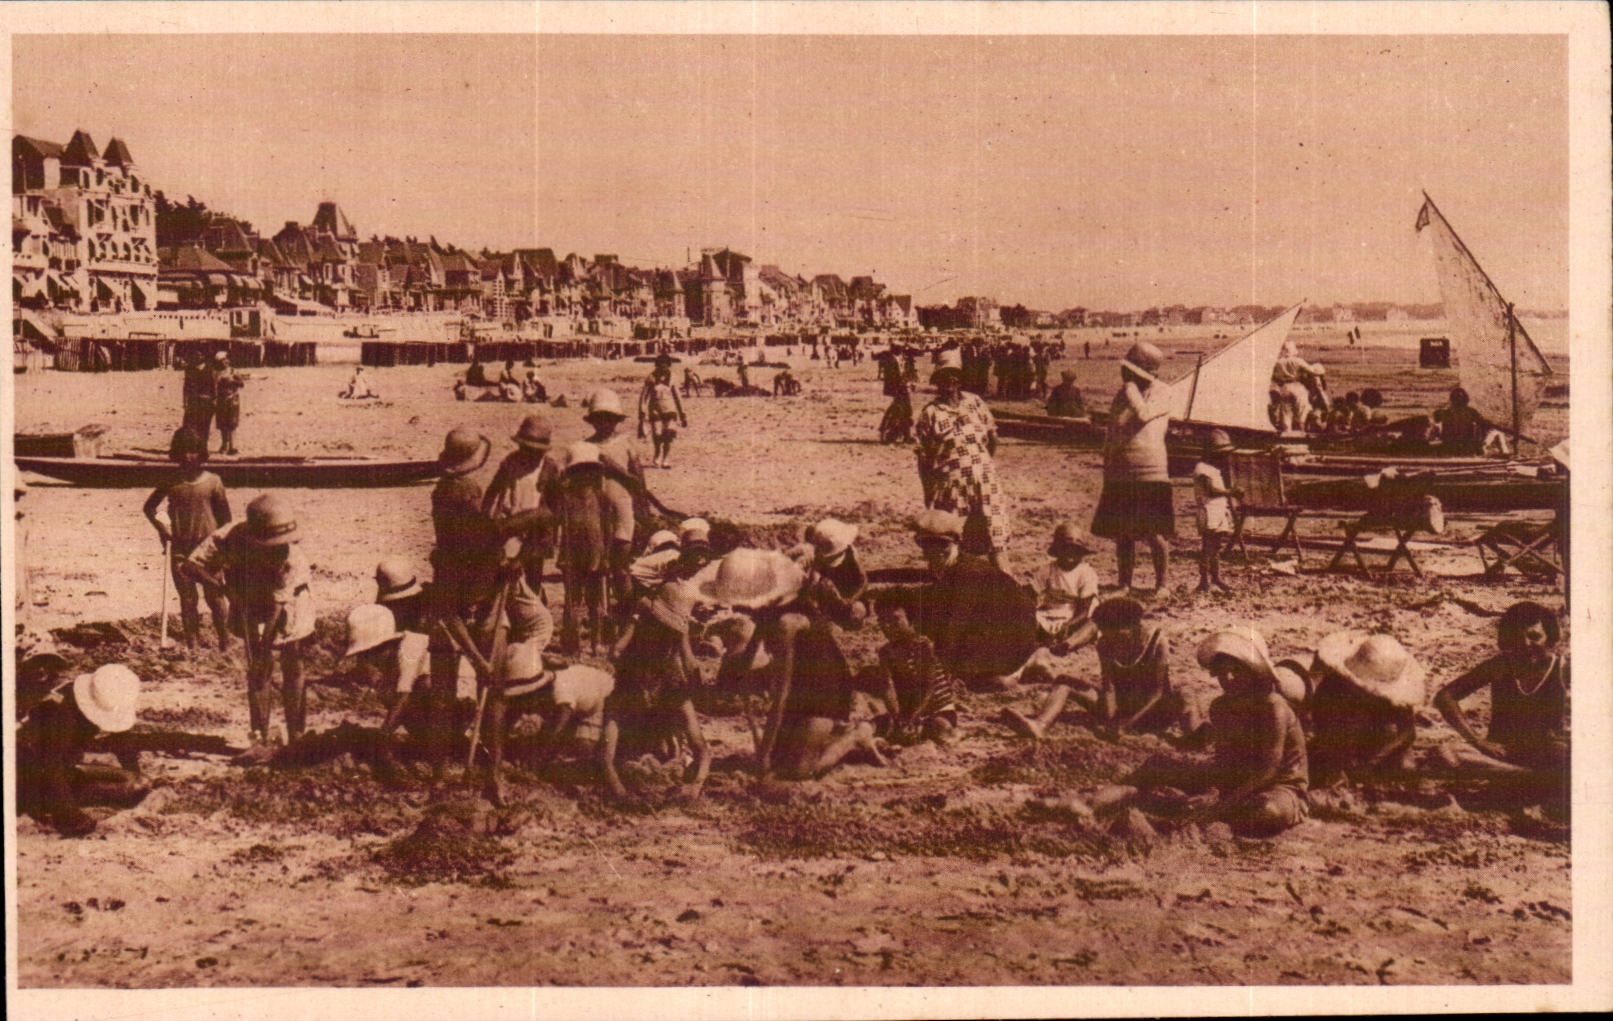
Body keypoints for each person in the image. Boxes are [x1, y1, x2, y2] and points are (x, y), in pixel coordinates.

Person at [1085, 629, 1308, 837]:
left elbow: (1267, 771)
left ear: (1252, 671)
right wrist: (1214, 793)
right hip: (1238, 779)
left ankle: (1203, 815)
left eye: (1236, 670)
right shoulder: (1221, 707)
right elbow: (1224, 762)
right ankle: (1106, 797)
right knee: (1158, 766)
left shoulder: (1273, 707)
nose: (1228, 678)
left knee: (1267, 811)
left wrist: (1218, 806)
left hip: (1279, 787)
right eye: (1222, 673)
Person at [697, 549, 886, 780]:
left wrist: (765, 753)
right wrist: (740, 676)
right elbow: (751, 652)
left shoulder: (787, 623)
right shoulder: (770, 610)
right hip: (800, 690)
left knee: (799, 771)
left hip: (827, 692)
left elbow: (782, 692)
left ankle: (856, 737)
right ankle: (827, 735)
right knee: (780, 762)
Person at [182, 494, 315, 750]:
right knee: (257, 669)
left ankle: (296, 736)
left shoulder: (292, 560)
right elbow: (190, 566)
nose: (277, 548)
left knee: (293, 663)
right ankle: (260, 737)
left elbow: (278, 605)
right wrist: (220, 587)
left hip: (291, 602)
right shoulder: (229, 536)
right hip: (249, 600)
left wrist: (265, 646)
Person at [1003, 596, 1195, 742]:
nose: (1113, 640)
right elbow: (1109, 687)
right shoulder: (1105, 643)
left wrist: (1127, 725)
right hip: (1122, 705)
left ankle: (1193, 737)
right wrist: (1112, 721)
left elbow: (1157, 694)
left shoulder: (1156, 641)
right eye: (1108, 634)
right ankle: (1040, 725)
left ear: (1134, 627)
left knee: (1185, 694)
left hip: (1151, 711)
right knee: (1064, 682)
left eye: (1119, 635)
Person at [1432, 601, 1568, 802]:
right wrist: (1477, 741)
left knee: (1564, 753)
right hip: (1502, 754)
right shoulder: (1501, 666)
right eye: (1518, 637)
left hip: (1544, 755)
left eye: (1534, 636)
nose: (1526, 644)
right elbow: (1445, 696)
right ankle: (1531, 781)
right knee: (1446, 752)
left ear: (1549, 636)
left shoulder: (1562, 669)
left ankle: (1523, 781)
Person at [425, 427, 502, 777]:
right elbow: (480, 536)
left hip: (449, 577)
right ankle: (489, 761)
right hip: (465, 585)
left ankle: (439, 764)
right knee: (485, 678)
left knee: (443, 690)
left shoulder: (441, 490)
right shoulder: (468, 492)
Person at [604, 580, 712, 800]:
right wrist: (620, 791)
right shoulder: (628, 681)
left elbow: (702, 750)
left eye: (668, 638)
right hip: (634, 760)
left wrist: (695, 787)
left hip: (663, 759)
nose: (661, 643)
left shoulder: (672, 687)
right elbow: (606, 757)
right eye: (657, 633)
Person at [16, 661, 147, 836]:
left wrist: (134, 774)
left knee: (128, 781)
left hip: (62, 767)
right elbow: (49, 767)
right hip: (27, 776)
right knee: (106, 791)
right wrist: (70, 816)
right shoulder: (59, 712)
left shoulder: (102, 696)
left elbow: (122, 739)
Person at [911, 509, 1036, 691]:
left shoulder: (968, 573)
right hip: (991, 630)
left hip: (1011, 639)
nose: (934, 552)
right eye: (927, 546)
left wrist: (942, 668)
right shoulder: (951, 564)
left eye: (942, 545)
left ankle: (996, 679)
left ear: (955, 543)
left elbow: (955, 622)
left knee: (958, 677)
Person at [914, 348, 1012, 569]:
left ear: (960, 379)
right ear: (937, 381)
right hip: (950, 485)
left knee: (995, 534)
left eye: (953, 376)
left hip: (984, 481)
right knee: (950, 537)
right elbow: (924, 458)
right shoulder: (930, 413)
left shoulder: (975, 403)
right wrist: (928, 490)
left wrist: (982, 463)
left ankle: (1004, 579)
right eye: (943, 377)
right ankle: (949, 581)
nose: (949, 381)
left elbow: (992, 438)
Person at [1090, 342, 1173, 596]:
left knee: (1155, 532)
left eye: (1129, 371)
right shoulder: (1124, 395)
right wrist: (1108, 467)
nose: (1124, 375)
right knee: (1123, 533)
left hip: (1151, 470)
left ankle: (1162, 585)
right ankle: (1124, 583)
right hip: (1121, 470)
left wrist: (1130, 390)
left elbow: (1144, 414)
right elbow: (1115, 431)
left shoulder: (1162, 392)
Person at [143, 428, 233, 649]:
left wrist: (225, 551)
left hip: (208, 550)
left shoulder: (213, 482)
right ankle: (192, 643)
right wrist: (162, 529)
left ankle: (224, 641)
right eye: (183, 451)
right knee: (187, 598)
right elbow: (150, 507)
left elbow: (226, 520)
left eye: (193, 451)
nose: (187, 456)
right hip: (180, 548)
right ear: (176, 454)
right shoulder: (171, 481)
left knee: (214, 596)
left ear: (201, 454)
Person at [1304, 631, 1423, 784]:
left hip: (1374, 740)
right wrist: (1338, 762)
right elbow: (1321, 726)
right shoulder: (1333, 686)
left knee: (1405, 766)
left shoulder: (1393, 694)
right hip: (1338, 739)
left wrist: (1372, 761)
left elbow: (1407, 732)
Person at [869, 587, 959, 747]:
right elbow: (888, 687)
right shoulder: (886, 652)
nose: (888, 626)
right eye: (882, 620)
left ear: (911, 619)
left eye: (895, 620)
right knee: (878, 724)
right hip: (908, 710)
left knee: (938, 726)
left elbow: (928, 687)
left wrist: (913, 717)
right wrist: (897, 717)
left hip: (937, 708)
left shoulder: (923, 645)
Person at [578, 388, 645, 604]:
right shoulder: (585, 447)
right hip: (594, 515)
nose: (603, 423)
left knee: (620, 567)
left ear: (616, 420)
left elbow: (638, 484)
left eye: (608, 418)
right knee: (594, 569)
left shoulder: (626, 444)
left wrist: (615, 469)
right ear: (592, 420)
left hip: (621, 512)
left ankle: (625, 612)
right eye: (599, 418)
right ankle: (597, 615)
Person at [483, 413, 558, 594]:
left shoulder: (548, 467)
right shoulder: (511, 462)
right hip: (513, 522)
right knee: (506, 571)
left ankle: (535, 599)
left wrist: (548, 534)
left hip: (537, 527)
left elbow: (554, 505)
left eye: (536, 451)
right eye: (527, 449)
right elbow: (494, 490)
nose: (531, 454)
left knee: (533, 572)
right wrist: (486, 517)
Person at [1192, 430, 1237, 594]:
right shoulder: (1202, 469)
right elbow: (1211, 490)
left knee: (1216, 547)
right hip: (1208, 511)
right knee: (1207, 547)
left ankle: (1216, 577)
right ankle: (1204, 579)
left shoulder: (1214, 469)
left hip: (1217, 511)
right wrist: (1230, 492)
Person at [638, 366, 688, 469]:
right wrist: (642, 411)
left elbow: (678, 397)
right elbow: (644, 396)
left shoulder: (673, 378)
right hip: (655, 410)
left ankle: (666, 459)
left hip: (670, 410)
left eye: (665, 365)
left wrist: (682, 414)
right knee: (657, 434)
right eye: (661, 364)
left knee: (668, 436)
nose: (663, 367)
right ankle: (657, 453)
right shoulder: (651, 378)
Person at [1428, 386, 1492, 456]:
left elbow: (1483, 423)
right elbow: (1483, 424)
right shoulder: (1470, 412)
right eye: (1457, 398)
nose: (1459, 400)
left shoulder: (1470, 412)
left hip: (1457, 445)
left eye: (1460, 398)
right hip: (1458, 446)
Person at [180, 353, 218, 448]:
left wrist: (215, 400)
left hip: (207, 401)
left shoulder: (210, 369)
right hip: (193, 401)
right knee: (190, 424)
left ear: (204, 357)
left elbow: (214, 386)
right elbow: (186, 387)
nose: (198, 357)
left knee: (205, 425)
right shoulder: (190, 369)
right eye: (195, 355)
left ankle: (203, 446)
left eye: (200, 355)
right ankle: (192, 445)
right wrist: (185, 401)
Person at [213, 351, 244, 454]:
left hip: (232, 399)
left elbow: (241, 384)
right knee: (222, 424)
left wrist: (232, 381)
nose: (225, 362)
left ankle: (232, 445)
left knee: (232, 423)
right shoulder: (216, 373)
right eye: (222, 360)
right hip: (221, 400)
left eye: (225, 359)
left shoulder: (233, 371)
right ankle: (224, 445)